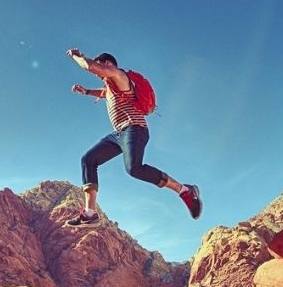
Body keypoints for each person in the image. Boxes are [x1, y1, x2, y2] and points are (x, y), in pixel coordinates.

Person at [64, 48, 202, 226]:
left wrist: (78, 56)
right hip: (119, 134)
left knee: (134, 169)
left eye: (101, 68)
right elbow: (104, 92)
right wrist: (87, 92)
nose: (99, 75)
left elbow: (90, 67)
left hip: (135, 129)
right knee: (88, 159)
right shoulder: (111, 86)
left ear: (107, 64)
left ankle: (184, 190)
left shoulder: (119, 75)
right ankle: (90, 213)